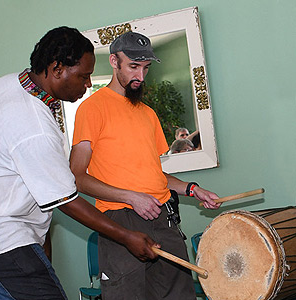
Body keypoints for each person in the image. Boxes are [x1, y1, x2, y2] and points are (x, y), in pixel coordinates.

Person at [0, 27, 159, 300]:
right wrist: (127, 236)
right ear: (57, 69)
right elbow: (67, 200)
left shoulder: (9, 84)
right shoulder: (34, 128)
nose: (87, 84)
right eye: (84, 76)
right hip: (6, 241)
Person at [70, 31, 220, 300]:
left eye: (146, 68)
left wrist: (192, 189)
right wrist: (131, 197)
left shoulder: (148, 114)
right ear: (114, 61)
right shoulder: (92, 109)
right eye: (133, 66)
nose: (140, 76)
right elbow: (77, 177)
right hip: (121, 220)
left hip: (164, 218)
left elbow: (153, 175)